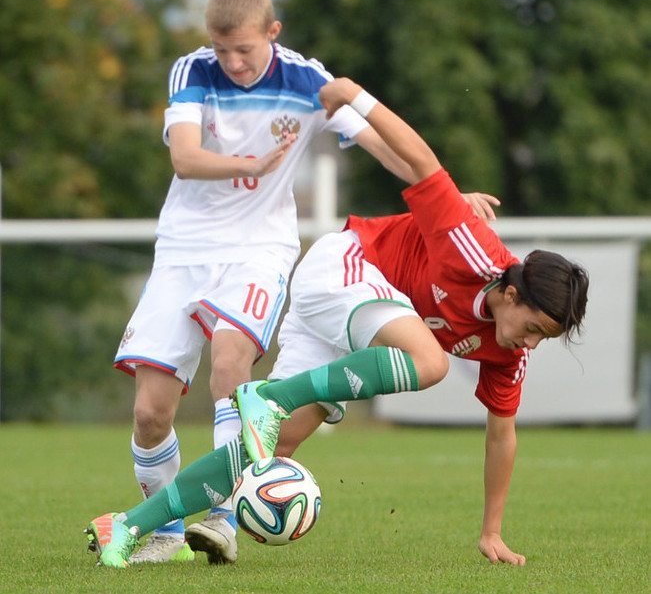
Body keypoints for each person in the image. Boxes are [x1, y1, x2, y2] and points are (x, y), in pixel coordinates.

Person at [86, 77, 588, 568]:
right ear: (511, 292)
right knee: (429, 362)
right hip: (344, 266)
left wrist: (491, 531)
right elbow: (421, 163)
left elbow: (502, 435)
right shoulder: (471, 245)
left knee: (268, 447)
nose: (532, 343)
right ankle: (268, 397)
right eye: (535, 328)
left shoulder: (508, 351)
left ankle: (129, 525)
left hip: (342, 319)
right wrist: (355, 96)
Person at [113, 0, 499, 565]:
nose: (233, 62)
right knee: (150, 411)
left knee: (231, 359)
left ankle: (223, 517)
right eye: (222, 50)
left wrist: (445, 194)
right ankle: (164, 534)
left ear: (273, 32)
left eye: (244, 49)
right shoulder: (192, 71)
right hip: (183, 250)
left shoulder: (307, 80)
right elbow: (186, 159)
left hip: (260, 248)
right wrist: (251, 161)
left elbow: (382, 145)